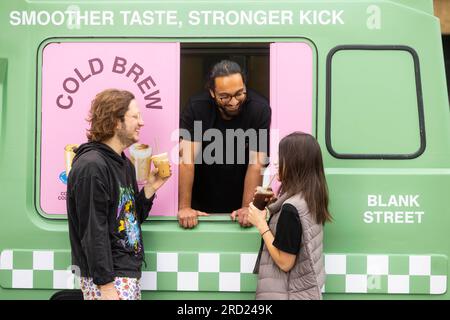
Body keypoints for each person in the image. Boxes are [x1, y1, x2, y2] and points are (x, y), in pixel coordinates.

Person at [67, 89, 171, 300]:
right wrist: (105, 286)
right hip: (109, 279)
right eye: (135, 116)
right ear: (116, 121)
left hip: (125, 274)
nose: (141, 123)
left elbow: (128, 221)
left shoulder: (124, 164)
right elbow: (93, 230)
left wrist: (150, 188)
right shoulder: (92, 166)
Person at [179, 60, 271, 229]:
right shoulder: (197, 108)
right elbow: (186, 159)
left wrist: (247, 208)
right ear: (212, 93)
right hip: (202, 198)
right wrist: (184, 207)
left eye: (239, 93)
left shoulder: (259, 108)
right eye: (225, 96)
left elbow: (256, 162)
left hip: (239, 196)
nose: (234, 101)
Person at [248, 132, 332, 300]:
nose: (276, 162)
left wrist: (261, 224)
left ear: (295, 163)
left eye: (282, 157)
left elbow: (285, 262)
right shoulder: (310, 197)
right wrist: (273, 205)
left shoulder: (290, 208)